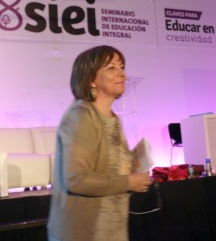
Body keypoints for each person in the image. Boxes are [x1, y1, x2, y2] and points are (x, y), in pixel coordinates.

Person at [48, 45, 152, 241]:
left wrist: (136, 168)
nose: (121, 73)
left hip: (113, 229)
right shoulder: (81, 115)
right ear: (91, 79)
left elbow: (110, 171)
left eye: (121, 67)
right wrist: (129, 181)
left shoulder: (113, 118)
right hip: (83, 233)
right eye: (111, 68)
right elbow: (76, 179)